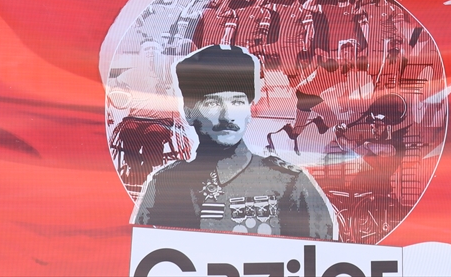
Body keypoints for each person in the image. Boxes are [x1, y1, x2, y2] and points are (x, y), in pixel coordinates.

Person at [132, 45, 336, 239]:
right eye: (212, 103)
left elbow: (319, 254)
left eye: (237, 102)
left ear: (249, 111)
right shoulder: (164, 184)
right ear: (189, 112)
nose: (227, 116)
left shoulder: (290, 182)